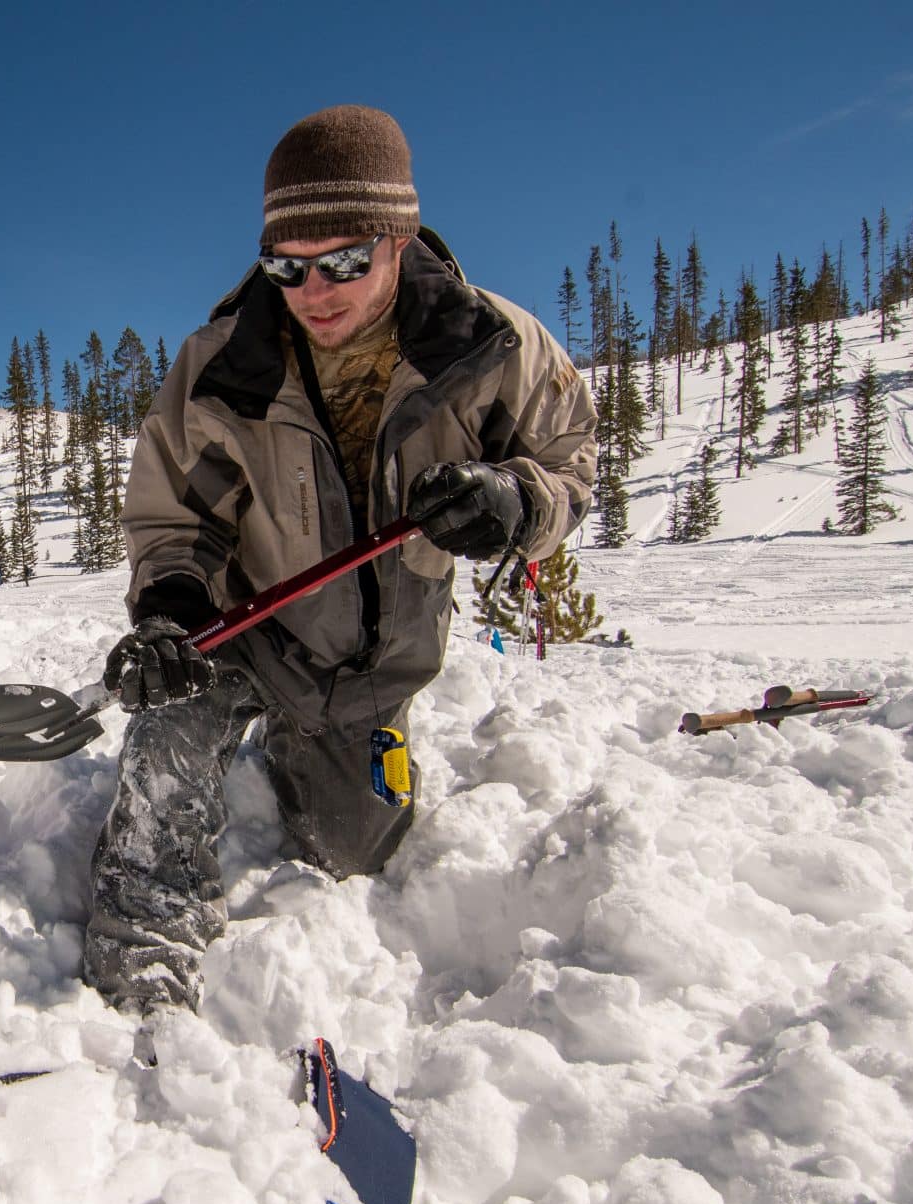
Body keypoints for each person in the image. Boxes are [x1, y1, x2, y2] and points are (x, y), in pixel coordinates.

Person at [85, 107, 597, 1014]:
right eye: (288, 266)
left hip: (379, 668)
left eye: (346, 261)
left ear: (397, 240)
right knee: (174, 718)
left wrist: (520, 502)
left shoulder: (492, 347)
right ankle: (146, 942)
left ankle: (307, 747)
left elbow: (569, 458)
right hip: (248, 633)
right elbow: (175, 516)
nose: (315, 290)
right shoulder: (219, 366)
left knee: (358, 853)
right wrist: (169, 607)